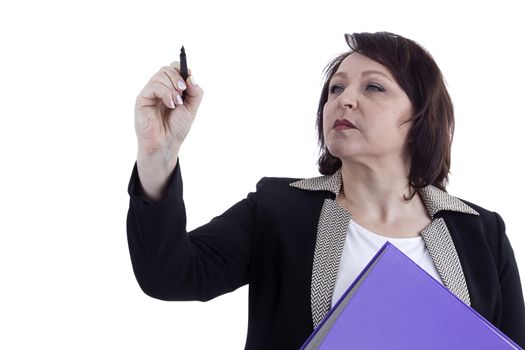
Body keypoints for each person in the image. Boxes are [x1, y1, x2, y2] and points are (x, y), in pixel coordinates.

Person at [127, 32, 525, 349]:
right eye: (335, 89)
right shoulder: (278, 210)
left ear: (421, 117)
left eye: (374, 88)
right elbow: (168, 275)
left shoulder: (482, 233)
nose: (344, 100)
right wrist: (157, 153)